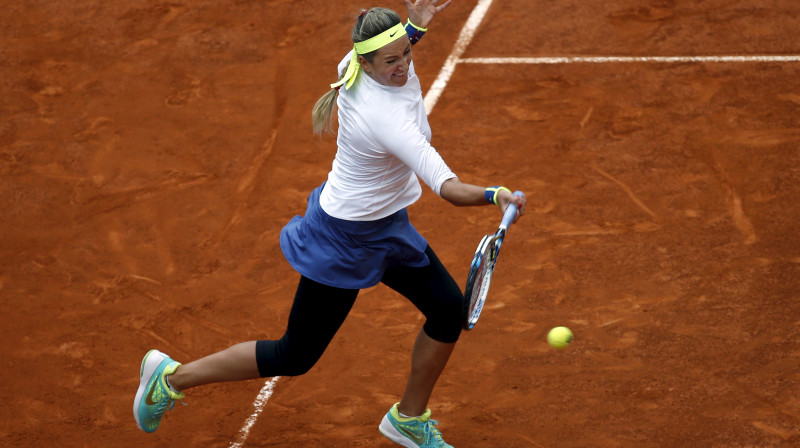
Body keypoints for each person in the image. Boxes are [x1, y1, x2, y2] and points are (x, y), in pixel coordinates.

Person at [133, 1, 527, 447]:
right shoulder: (390, 120)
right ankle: (171, 378)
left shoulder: (355, 64)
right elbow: (448, 188)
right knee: (295, 354)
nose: (403, 67)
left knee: (446, 310)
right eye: (392, 61)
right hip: (345, 238)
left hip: (384, 225)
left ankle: (408, 419)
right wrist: (496, 195)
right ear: (368, 63)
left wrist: (416, 25)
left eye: (407, 55)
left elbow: (391, 49)